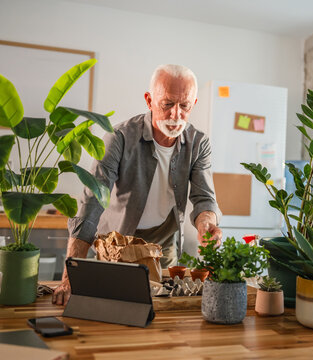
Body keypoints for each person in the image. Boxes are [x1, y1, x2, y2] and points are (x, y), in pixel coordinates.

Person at [52, 64, 222, 305]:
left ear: (193, 104)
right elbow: (92, 202)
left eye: (184, 106)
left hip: (163, 243)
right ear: (149, 100)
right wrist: (69, 277)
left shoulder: (199, 143)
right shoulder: (119, 137)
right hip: (118, 241)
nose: (175, 115)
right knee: (114, 308)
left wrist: (206, 224)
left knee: (162, 310)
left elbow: (204, 198)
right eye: (167, 104)